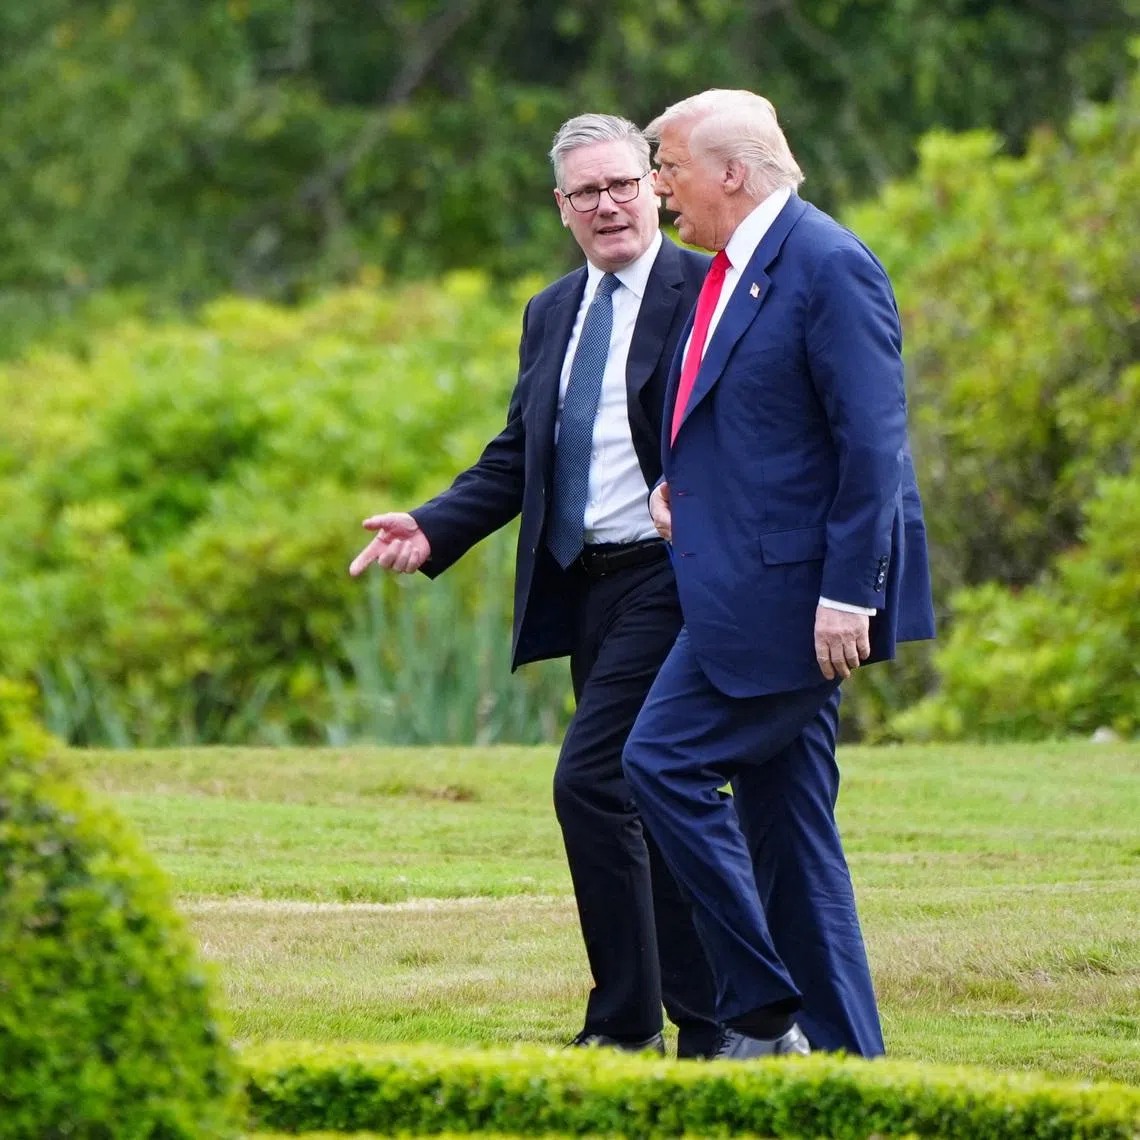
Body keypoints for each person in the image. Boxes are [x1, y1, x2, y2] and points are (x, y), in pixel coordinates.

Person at [348, 114, 720, 1058]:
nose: (607, 205)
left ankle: (640, 1024)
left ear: (654, 185)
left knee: (593, 782)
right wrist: (432, 523)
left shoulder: (704, 290)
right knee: (645, 790)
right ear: (561, 209)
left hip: (675, 580)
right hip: (584, 586)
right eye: (584, 193)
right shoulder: (552, 310)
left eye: (622, 184)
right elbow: (520, 454)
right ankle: (700, 1024)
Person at [621, 89, 936, 1061]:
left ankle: (760, 1007)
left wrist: (852, 591)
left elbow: (871, 441)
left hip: (795, 606)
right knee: (793, 844)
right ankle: (848, 1066)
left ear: (730, 171)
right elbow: (755, 418)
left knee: (659, 763)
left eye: (666, 167)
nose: (658, 189)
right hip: (741, 586)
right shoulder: (732, 270)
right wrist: (682, 479)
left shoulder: (830, 263)